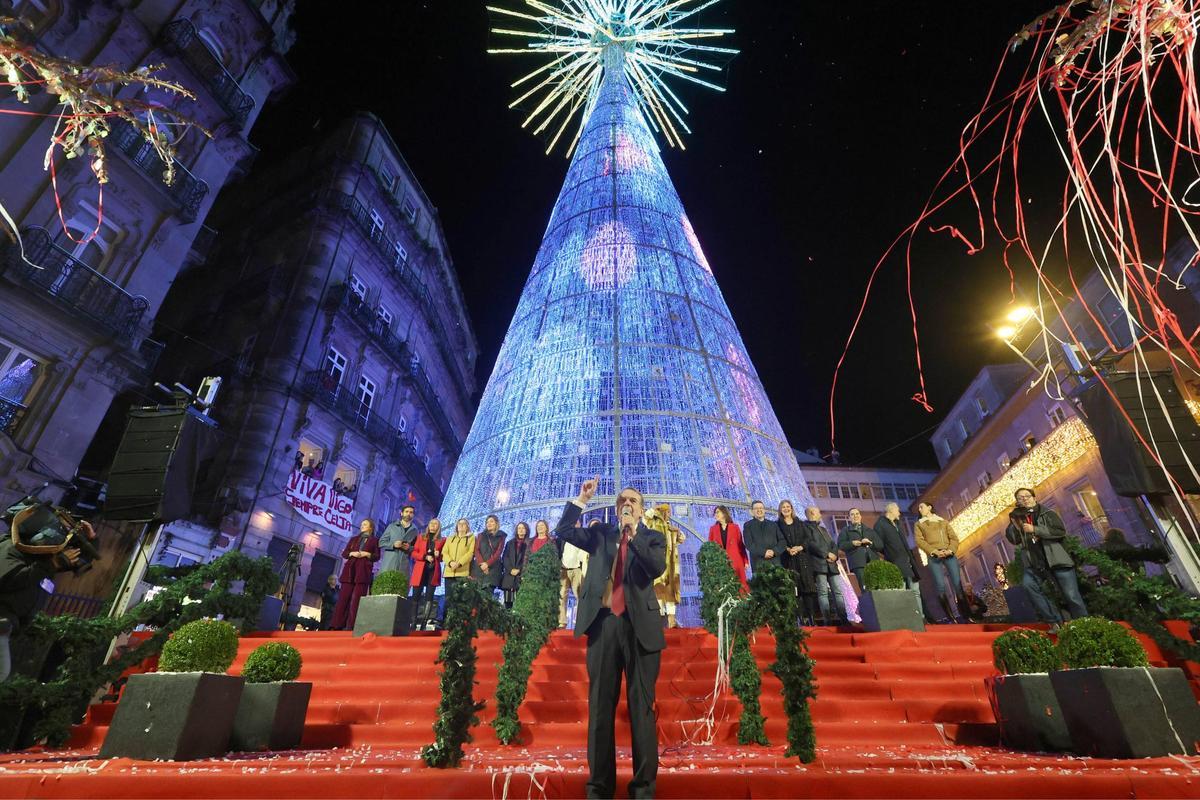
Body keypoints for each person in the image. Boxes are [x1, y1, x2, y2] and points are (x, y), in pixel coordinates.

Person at [554, 477, 666, 800]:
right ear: (616, 509)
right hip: (603, 625)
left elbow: (655, 568)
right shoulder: (601, 535)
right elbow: (563, 531)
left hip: (639, 628)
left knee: (641, 709)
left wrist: (634, 535)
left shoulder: (654, 539)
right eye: (622, 502)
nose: (626, 505)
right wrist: (581, 500)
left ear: (641, 509)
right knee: (601, 707)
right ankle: (599, 787)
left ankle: (643, 788)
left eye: (632, 501)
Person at [0, 513, 94, 682]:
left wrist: (90, 541)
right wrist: (51, 565)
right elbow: (8, 579)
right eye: (63, 529)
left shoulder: (35, 557)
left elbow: (79, 564)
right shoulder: (10, 547)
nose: (64, 537)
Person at [1005, 488, 1089, 622]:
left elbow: (1060, 531)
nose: (1024, 499)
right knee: (1029, 585)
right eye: (1020, 498)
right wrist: (1013, 524)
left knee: (1071, 595)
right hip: (1035, 563)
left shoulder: (1047, 513)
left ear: (1034, 498)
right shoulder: (1019, 519)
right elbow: (1014, 540)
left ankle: (1085, 623)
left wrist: (1035, 529)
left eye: (1027, 496)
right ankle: (1055, 621)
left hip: (1057, 559)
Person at [915, 502, 971, 623]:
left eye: (922, 506)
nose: (919, 509)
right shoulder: (919, 524)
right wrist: (933, 551)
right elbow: (920, 541)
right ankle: (951, 618)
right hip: (934, 556)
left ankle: (966, 616)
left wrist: (950, 550)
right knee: (940, 585)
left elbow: (954, 538)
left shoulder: (943, 521)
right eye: (919, 508)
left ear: (930, 507)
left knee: (957, 584)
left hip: (949, 553)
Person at [800, 506, 846, 625]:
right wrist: (826, 554)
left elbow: (832, 544)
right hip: (819, 564)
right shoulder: (806, 528)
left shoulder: (823, 529)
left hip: (832, 565)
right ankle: (827, 620)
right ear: (811, 513)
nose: (820, 513)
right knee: (823, 593)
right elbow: (811, 544)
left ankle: (844, 618)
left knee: (838, 592)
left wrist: (835, 555)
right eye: (818, 512)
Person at [331, 518, 380, 630]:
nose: (362, 526)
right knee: (343, 599)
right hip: (350, 571)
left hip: (363, 572)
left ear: (371, 527)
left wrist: (367, 554)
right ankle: (336, 625)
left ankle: (351, 626)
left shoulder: (374, 540)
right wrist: (352, 553)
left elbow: (377, 556)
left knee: (356, 600)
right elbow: (345, 553)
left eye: (365, 524)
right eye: (362, 524)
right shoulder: (354, 539)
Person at [776, 499, 817, 625]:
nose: (786, 509)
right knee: (794, 591)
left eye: (788, 506)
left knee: (807, 589)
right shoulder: (777, 524)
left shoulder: (800, 523)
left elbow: (808, 539)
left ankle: (811, 618)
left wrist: (800, 547)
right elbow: (778, 540)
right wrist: (787, 549)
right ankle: (799, 618)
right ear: (780, 510)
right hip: (788, 560)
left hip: (803, 559)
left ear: (792, 508)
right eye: (783, 507)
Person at [647, 503, 686, 629]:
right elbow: (645, 518)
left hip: (671, 565)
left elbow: (682, 539)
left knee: (670, 592)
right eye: (668, 512)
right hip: (657, 563)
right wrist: (655, 509)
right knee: (658, 590)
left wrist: (679, 532)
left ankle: (672, 621)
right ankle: (658, 622)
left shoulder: (670, 528)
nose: (670, 514)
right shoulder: (653, 523)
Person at [409, 518, 445, 630]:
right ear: (428, 525)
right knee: (416, 597)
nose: (433, 525)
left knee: (429, 597)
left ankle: (424, 623)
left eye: (435, 524)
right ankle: (413, 623)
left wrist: (438, 555)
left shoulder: (443, 540)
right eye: (431, 523)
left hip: (432, 572)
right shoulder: (421, 537)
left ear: (438, 527)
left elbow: (443, 558)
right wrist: (424, 557)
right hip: (420, 571)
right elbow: (413, 553)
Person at [873, 503, 918, 589]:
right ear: (891, 510)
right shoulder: (880, 525)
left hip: (907, 560)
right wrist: (891, 552)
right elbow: (878, 545)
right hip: (895, 561)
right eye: (897, 510)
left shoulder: (897, 523)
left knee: (915, 590)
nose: (899, 513)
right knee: (901, 589)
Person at [709, 505, 750, 592]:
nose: (715, 515)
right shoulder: (713, 529)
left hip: (736, 561)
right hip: (720, 562)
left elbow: (741, 545)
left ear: (724, 513)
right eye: (715, 513)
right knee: (723, 587)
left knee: (740, 587)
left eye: (717, 512)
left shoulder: (735, 527)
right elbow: (710, 547)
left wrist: (745, 561)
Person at [837, 508, 880, 588]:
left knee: (878, 586)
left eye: (857, 514)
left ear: (860, 516)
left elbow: (880, 545)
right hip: (858, 563)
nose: (855, 516)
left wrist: (870, 543)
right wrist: (852, 543)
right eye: (852, 514)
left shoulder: (869, 530)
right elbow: (840, 545)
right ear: (849, 518)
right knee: (865, 587)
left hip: (873, 561)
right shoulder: (845, 530)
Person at [560, 519, 590, 629]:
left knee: (579, 596)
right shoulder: (564, 538)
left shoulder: (582, 537)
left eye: (576, 523)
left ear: (579, 524)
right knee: (562, 596)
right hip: (563, 569)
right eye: (572, 523)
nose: (574, 525)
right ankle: (561, 622)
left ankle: (580, 621)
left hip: (577, 569)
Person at [743, 500, 785, 575]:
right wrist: (764, 552)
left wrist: (774, 551)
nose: (759, 510)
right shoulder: (747, 525)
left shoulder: (773, 524)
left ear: (764, 510)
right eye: (756, 508)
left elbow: (782, 541)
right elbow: (749, 544)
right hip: (758, 564)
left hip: (775, 562)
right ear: (752, 511)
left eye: (761, 508)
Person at [472, 514, 507, 599]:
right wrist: (481, 563)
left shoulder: (501, 536)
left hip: (493, 570)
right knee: (474, 597)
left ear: (496, 523)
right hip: (478, 570)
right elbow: (476, 550)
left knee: (486, 598)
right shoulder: (480, 535)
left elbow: (499, 552)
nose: (489, 523)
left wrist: (487, 564)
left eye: (491, 521)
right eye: (487, 522)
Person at [378, 504, 419, 578]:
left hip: (403, 565)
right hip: (389, 563)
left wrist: (409, 548)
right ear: (401, 513)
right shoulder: (392, 526)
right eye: (406, 511)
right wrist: (393, 544)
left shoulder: (415, 530)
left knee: (399, 587)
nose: (408, 514)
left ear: (413, 515)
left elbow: (416, 548)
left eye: (411, 512)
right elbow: (381, 542)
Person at [442, 518, 475, 602]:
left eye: (464, 524)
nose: (461, 525)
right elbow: (444, 552)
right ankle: (446, 615)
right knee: (448, 599)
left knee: (460, 600)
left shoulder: (471, 538)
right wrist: (450, 562)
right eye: (459, 524)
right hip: (449, 573)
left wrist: (459, 563)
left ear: (467, 527)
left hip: (462, 573)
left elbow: (470, 553)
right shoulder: (450, 538)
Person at [501, 521, 531, 608]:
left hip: (521, 577)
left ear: (526, 530)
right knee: (508, 605)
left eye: (523, 528)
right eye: (519, 528)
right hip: (509, 578)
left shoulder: (529, 543)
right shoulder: (510, 543)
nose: (521, 530)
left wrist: (519, 570)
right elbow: (505, 557)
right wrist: (510, 569)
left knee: (520, 605)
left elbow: (529, 560)